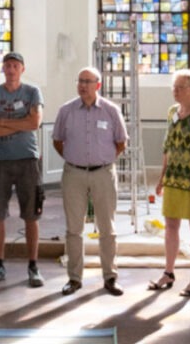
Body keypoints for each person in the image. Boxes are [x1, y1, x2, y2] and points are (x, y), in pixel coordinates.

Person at [52, 67, 128, 296]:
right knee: (73, 229)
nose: (83, 85)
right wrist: (74, 159)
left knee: (107, 228)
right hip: (73, 174)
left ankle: (110, 277)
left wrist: (103, 161)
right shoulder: (66, 111)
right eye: (80, 81)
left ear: (98, 85)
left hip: (103, 174)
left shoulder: (111, 110)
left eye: (88, 81)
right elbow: (58, 141)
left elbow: (121, 142)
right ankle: (74, 278)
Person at [149, 68, 190, 297]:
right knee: (170, 227)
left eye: (180, 87)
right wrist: (161, 179)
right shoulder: (172, 112)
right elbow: (167, 149)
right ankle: (168, 272)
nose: (175, 91)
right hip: (174, 180)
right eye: (174, 87)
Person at [0, 52, 46, 288]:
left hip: (27, 160)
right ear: (3, 69)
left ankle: (33, 266)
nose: (11, 70)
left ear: (22, 69)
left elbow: (34, 123)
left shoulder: (32, 92)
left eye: (15, 66)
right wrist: (18, 123)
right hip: (0, 161)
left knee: (31, 215)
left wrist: (3, 122)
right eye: (7, 66)